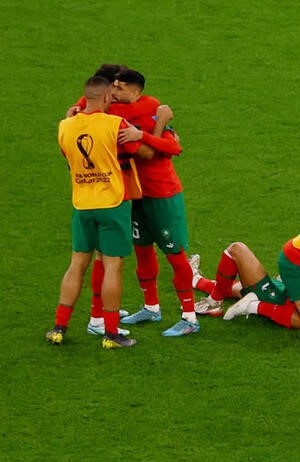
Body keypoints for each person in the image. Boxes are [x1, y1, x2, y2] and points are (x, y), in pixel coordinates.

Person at [47, 76, 154, 350]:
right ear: (106, 98)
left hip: (82, 205)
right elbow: (144, 153)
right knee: (112, 267)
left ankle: (59, 328)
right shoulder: (114, 124)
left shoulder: (64, 126)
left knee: (77, 265)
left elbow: (68, 156)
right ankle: (110, 333)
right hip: (113, 204)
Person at [110, 69, 200, 337]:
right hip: (136, 194)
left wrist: (143, 135)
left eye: (119, 87)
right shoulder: (114, 111)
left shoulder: (151, 107)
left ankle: (190, 317)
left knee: (175, 254)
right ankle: (151, 307)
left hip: (163, 194)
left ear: (135, 91)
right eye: (112, 86)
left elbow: (173, 148)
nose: (114, 92)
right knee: (142, 250)